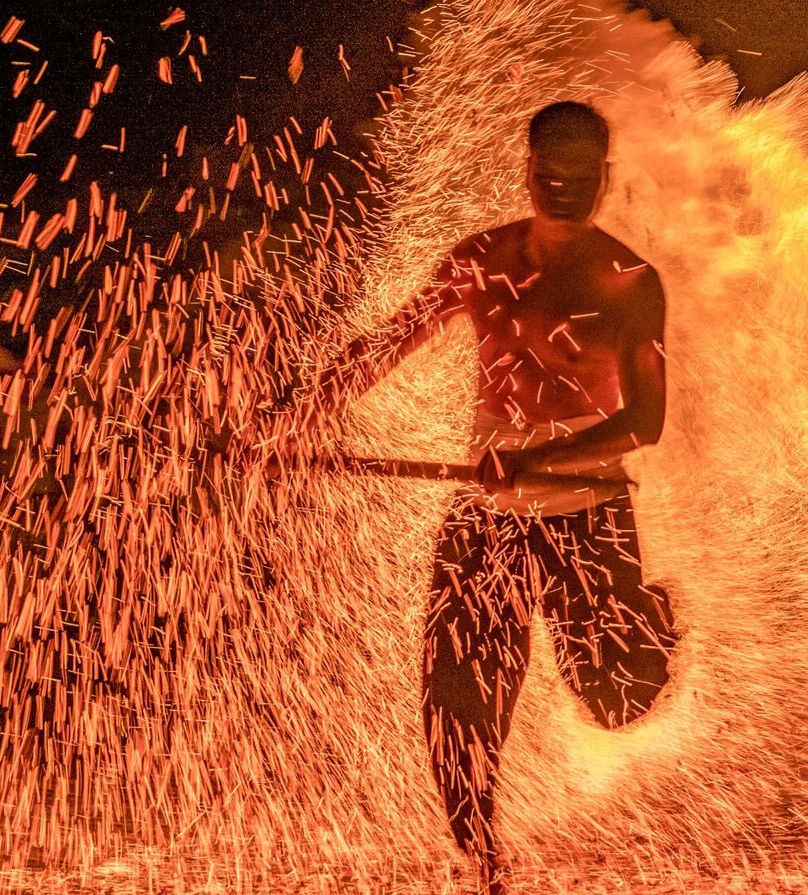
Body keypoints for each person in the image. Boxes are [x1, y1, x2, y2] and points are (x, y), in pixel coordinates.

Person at [286, 102, 676, 892]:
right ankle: (483, 862)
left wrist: (545, 459)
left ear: (607, 176)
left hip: (589, 516)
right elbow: (384, 346)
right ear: (526, 167)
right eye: (548, 174)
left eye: (581, 177)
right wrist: (290, 417)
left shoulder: (633, 282)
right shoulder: (482, 260)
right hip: (486, 518)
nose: (564, 189)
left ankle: (656, 623)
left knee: (616, 700)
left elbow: (647, 420)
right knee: (453, 695)